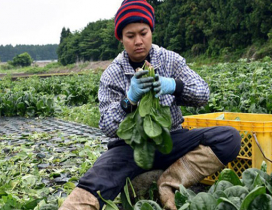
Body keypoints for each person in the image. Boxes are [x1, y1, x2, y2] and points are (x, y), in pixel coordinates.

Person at [59, 0, 241, 209]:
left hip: (170, 140)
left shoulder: (170, 60)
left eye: (143, 33)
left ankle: (169, 183)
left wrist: (175, 85)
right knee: (96, 178)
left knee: (229, 138)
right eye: (130, 36)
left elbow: (203, 94)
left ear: (151, 31)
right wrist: (129, 100)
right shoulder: (112, 73)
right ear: (121, 38)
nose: (138, 41)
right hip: (130, 147)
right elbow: (107, 126)